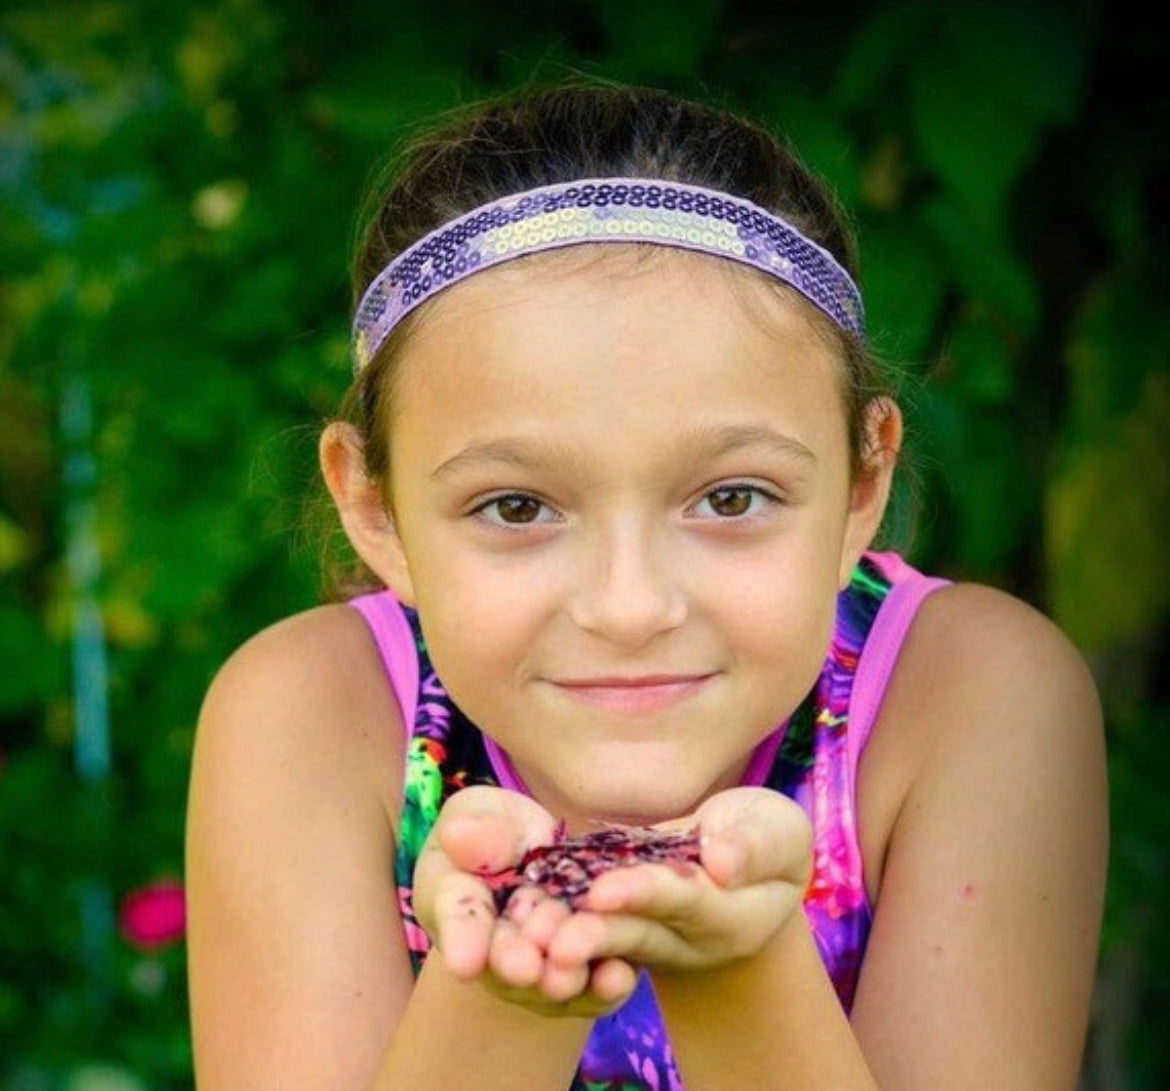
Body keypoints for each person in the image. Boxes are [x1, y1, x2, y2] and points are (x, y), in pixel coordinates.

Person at [184, 81, 1109, 1091]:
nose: (629, 607)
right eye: (517, 507)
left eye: (732, 496)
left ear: (861, 484)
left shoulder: (972, 698)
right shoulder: (312, 719)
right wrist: (505, 987)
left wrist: (741, 970)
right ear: (374, 507)